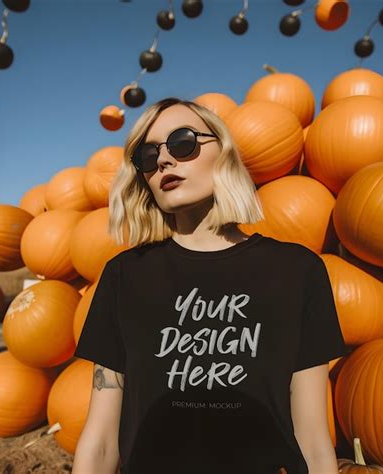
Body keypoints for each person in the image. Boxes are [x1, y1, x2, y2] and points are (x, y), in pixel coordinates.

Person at [72, 97, 349, 474]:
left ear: (224, 153)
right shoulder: (123, 276)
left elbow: (313, 442)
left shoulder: (298, 271)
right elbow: (101, 441)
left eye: (183, 142)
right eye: (148, 156)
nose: (165, 160)